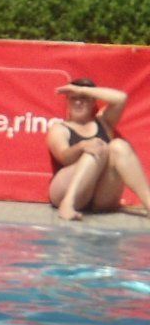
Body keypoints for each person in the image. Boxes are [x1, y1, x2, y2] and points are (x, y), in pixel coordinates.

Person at [46, 79, 150, 221]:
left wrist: (82, 90)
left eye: (84, 98)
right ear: (68, 102)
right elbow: (63, 157)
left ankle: (149, 203)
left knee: (119, 145)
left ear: (93, 101)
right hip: (67, 190)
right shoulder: (59, 128)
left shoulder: (103, 122)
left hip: (101, 197)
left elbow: (121, 98)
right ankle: (67, 205)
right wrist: (82, 146)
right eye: (73, 98)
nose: (78, 102)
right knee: (98, 147)